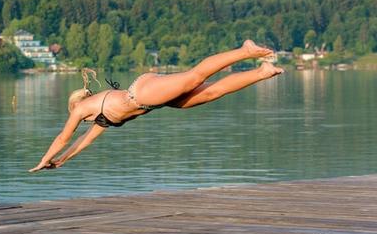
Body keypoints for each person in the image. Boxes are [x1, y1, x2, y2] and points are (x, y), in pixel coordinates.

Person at [29, 40, 284, 172]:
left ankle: (245, 51)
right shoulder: (99, 118)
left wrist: (44, 159)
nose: (77, 120)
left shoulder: (82, 109)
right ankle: (261, 72)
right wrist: (62, 161)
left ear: (76, 106)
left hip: (143, 92)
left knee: (194, 77)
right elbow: (82, 142)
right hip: (154, 101)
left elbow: (64, 137)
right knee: (211, 93)